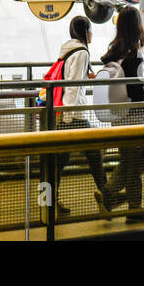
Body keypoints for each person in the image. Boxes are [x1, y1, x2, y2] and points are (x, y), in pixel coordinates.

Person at [51, 15, 117, 217]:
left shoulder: (69, 49)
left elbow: (71, 78)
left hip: (67, 114)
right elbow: (71, 85)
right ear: (84, 31)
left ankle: (49, 202)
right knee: (93, 154)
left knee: (60, 161)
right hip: (74, 115)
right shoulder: (81, 53)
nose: (92, 33)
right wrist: (70, 117)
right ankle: (106, 197)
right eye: (90, 29)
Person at [98, 7, 144, 222]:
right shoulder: (134, 53)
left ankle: (114, 197)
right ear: (137, 24)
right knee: (136, 162)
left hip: (118, 115)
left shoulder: (114, 51)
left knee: (128, 159)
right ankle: (129, 207)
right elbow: (137, 88)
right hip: (135, 114)